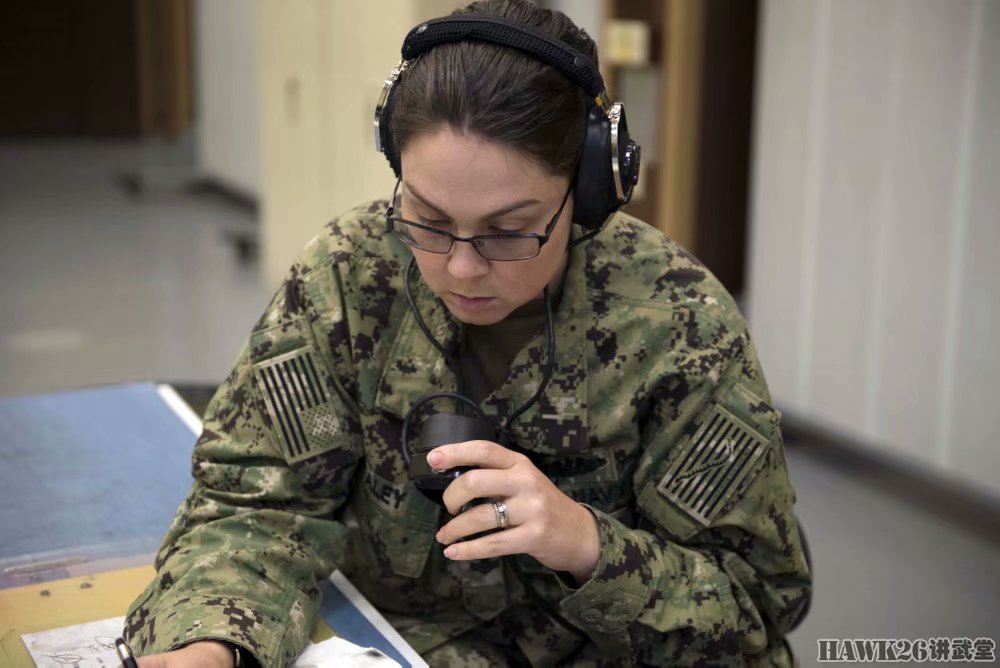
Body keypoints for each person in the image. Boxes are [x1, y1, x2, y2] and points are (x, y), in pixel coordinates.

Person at [123, 1, 811, 665]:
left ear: (590, 192)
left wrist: (587, 545)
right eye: (427, 217)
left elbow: (756, 608)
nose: (460, 268)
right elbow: (253, 506)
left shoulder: (680, 324)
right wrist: (212, 644)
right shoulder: (348, 275)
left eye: (509, 231)